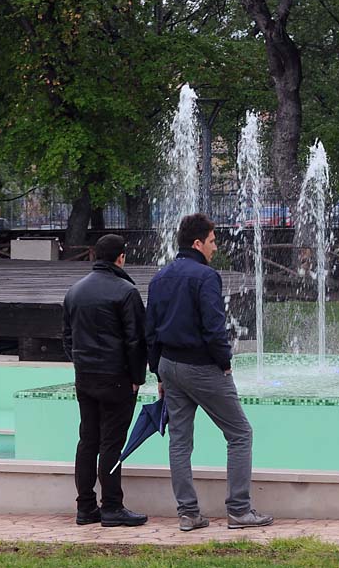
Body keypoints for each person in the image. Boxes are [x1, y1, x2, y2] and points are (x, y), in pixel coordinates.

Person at [146, 213, 273, 532]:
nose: (216, 247)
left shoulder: (160, 277)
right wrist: (225, 362)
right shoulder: (206, 276)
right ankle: (240, 510)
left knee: (179, 440)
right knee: (240, 433)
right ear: (198, 243)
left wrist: (158, 374)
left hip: (169, 366)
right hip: (201, 366)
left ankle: (188, 514)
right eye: (213, 241)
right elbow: (214, 327)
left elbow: (149, 331)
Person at [62, 233, 149, 527]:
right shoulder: (126, 292)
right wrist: (138, 377)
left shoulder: (74, 291)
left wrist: (81, 364)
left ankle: (85, 507)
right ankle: (112, 506)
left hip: (85, 377)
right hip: (116, 378)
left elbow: (67, 337)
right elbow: (136, 340)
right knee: (111, 442)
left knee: (88, 440)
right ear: (121, 257)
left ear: (94, 256)